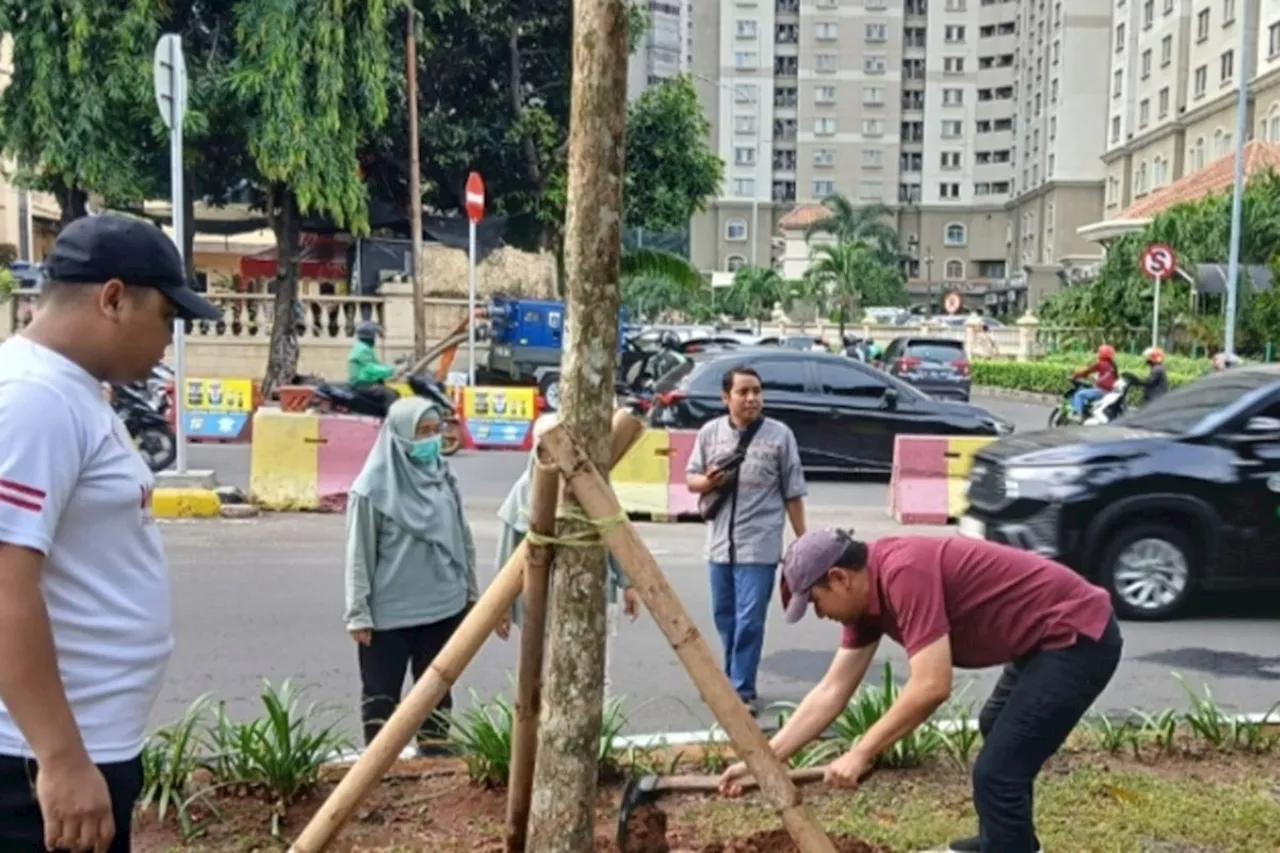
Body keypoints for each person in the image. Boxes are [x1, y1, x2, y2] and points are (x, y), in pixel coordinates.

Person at [0, 213, 221, 853]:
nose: (168, 342)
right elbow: (6, 584)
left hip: (78, 745)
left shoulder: (71, 392)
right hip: (32, 763)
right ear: (114, 299)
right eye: (166, 318)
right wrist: (61, 758)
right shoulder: (33, 398)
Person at [719, 529, 1122, 853]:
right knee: (995, 726)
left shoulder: (903, 573)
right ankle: (1002, 843)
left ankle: (1006, 847)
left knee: (998, 773)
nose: (821, 614)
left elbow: (932, 685)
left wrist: (862, 751)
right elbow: (831, 691)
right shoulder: (866, 601)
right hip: (1041, 641)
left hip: (1077, 636)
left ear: (839, 577)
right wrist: (765, 761)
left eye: (817, 602)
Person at [344, 397, 477, 754]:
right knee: (381, 697)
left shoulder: (443, 477)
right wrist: (358, 612)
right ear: (399, 435)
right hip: (390, 617)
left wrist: (470, 590)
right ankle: (377, 769)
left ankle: (434, 760)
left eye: (436, 431)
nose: (431, 441)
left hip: (444, 608)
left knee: (436, 693)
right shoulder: (371, 489)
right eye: (422, 432)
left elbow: (462, 536)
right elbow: (359, 555)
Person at [686, 366, 807, 714]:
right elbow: (691, 477)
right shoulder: (710, 433)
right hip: (719, 546)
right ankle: (731, 680)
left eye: (756, 391)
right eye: (743, 392)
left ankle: (741, 689)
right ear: (726, 398)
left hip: (761, 544)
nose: (752, 398)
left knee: (750, 619)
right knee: (725, 616)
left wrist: (802, 541)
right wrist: (707, 482)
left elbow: (793, 492)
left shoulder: (780, 436)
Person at [495, 413, 642, 696]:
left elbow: (613, 533)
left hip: (595, 592)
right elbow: (508, 553)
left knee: (595, 673)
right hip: (542, 600)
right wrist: (501, 606)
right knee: (545, 673)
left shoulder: (593, 488)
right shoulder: (524, 492)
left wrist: (628, 583)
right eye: (547, 449)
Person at [348, 321, 400, 414]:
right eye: (374, 336)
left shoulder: (363, 347)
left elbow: (376, 365)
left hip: (365, 383)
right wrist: (392, 370)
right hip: (363, 384)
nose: (374, 339)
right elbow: (371, 369)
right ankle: (390, 421)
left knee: (392, 390)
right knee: (390, 394)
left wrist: (389, 370)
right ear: (369, 336)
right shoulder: (363, 349)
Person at [1069, 344, 1118, 419]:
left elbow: (1086, 371)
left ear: (1101, 354)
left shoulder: (1100, 363)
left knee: (1079, 395)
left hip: (1102, 391)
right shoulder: (1113, 366)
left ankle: (1077, 416)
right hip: (1110, 392)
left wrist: (1074, 376)